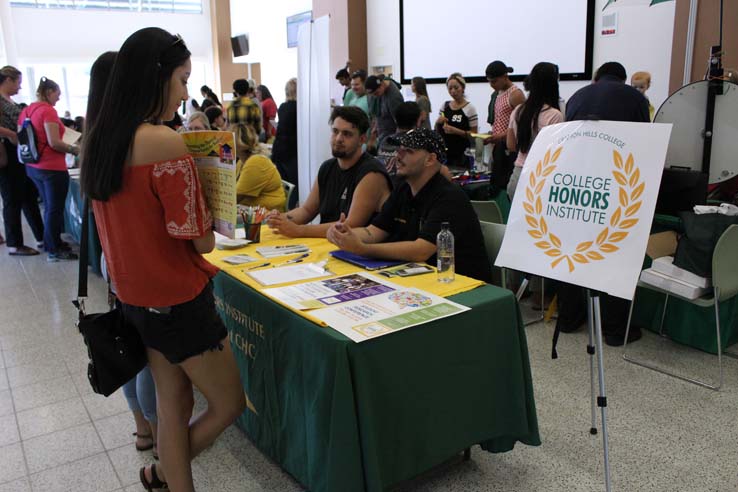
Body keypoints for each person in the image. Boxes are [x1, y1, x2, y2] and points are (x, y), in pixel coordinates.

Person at [80, 28, 245, 491]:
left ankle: (167, 478)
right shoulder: (165, 143)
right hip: (179, 300)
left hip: (135, 300)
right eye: (183, 79)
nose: (186, 93)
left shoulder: (101, 142)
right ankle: (164, 474)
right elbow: (201, 242)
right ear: (157, 79)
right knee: (229, 403)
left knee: (173, 408)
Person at [86, 50, 161, 462]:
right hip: (139, 261)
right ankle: (158, 429)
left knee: (127, 344)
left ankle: (142, 428)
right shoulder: (140, 139)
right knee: (148, 356)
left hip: (114, 258)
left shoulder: (98, 139)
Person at [558, 61, 650, 347]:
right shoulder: (636, 98)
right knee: (615, 253)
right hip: (615, 186)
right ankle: (614, 330)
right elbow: (644, 143)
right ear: (622, 79)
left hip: (579, 185)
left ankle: (569, 319)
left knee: (572, 253)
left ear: (597, 77)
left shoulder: (577, 97)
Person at [327, 127, 491, 283]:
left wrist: (363, 249)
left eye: (409, 151)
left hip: (459, 285)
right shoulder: (403, 188)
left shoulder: (449, 197)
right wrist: (345, 235)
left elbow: (421, 250)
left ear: (430, 159)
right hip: (420, 278)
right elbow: (375, 231)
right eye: (399, 149)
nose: (398, 156)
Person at [268, 106, 391, 238]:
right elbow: (307, 210)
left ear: (362, 140)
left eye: (347, 134)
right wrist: (280, 219)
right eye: (335, 131)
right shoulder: (327, 167)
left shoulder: (372, 174)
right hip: (327, 245)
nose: (338, 139)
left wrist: (299, 231)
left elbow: (352, 225)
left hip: (357, 252)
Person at [19, 77, 79, 262]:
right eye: (57, 95)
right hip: (51, 167)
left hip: (33, 166)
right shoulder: (48, 111)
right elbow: (54, 142)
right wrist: (76, 149)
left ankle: (52, 242)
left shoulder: (27, 111)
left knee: (48, 207)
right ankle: (53, 248)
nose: (58, 99)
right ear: (49, 92)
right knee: (54, 209)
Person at [0, 65, 44, 256]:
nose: (19, 87)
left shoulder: (9, 100)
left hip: (18, 151)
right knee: (12, 197)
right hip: (8, 151)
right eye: (17, 82)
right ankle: (15, 243)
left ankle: (42, 236)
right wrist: (11, 134)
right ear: (8, 80)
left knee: (28, 194)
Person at [506, 62, 564, 200]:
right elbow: (556, 153)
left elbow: (511, 145)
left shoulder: (518, 111)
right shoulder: (554, 115)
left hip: (518, 175)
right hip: (541, 178)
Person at [377, 101, 453, 183]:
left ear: (395, 120)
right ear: (418, 120)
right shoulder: (418, 143)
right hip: (407, 190)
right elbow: (444, 173)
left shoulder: (385, 141)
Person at [483, 61, 525, 195]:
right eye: (489, 82)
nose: (491, 85)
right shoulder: (498, 93)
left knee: (507, 185)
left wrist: (500, 136)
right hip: (499, 146)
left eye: (494, 81)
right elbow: (500, 120)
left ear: (505, 76)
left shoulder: (516, 94)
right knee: (496, 185)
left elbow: (522, 125)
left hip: (511, 149)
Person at [233, 123, 286, 211]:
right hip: (254, 211)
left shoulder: (255, 162)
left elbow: (235, 198)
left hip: (266, 214)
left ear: (237, 143)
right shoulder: (243, 161)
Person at [435, 73, 478, 168]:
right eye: (450, 88)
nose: (453, 91)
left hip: (462, 154)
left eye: (456, 88)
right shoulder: (445, 106)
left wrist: (455, 131)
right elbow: (437, 130)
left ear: (462, 88)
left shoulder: (470, 108)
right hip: (445, 154)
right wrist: (438, 122)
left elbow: (474, 134)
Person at [271, 78, 298, 207]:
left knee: (285, 186)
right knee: (295, 187)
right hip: (293, 151)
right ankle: (292, 214)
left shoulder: (282, 107)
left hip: (280, 150)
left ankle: (286, 210)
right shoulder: (300, 108)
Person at [365, 74, 404, 144]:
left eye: (376, 93)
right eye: (373, 94)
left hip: (391, 138)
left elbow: (400, 124)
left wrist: (395, 143)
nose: (375, 96)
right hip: (382, 136)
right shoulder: (377, 94)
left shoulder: (394, 97)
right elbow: (377, 115)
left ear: (382, 84)